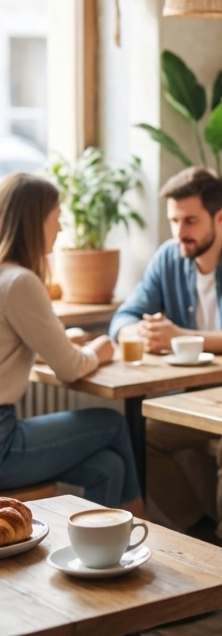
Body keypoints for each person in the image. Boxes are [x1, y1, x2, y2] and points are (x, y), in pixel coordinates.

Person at [109, 166, 222, 549]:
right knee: (139, 436)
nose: (179, 232)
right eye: (174, 220)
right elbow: (122, 317)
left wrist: (179, 337)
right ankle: (201, 532)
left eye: (190, 220)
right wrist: (141, 332)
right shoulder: (169, 257)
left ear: (220, 217)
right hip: (200, 398)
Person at [0, 174, 143, 511]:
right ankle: (143, 520)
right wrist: (100, 348)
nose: (62, 228)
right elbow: (69, 368)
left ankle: (98, 555)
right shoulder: (20, 281)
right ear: (35, 222)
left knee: (109, 466)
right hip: (4, 444)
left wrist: (56, 344)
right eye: (57, 217)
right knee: (112, 423)